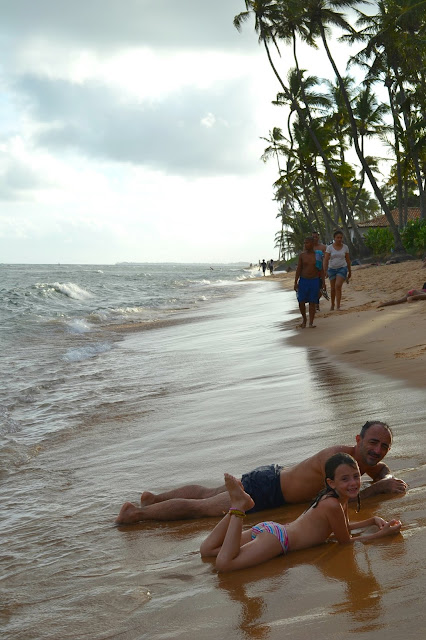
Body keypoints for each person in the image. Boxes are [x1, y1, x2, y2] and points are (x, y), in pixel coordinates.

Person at [115, 421, 407, 524]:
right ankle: (136, 515)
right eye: (373, 442)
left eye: (384, 446)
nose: (378, 450)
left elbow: (381, 471)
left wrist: (385, 478)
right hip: (268, 490)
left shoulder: (367, 462)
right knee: (202, 507)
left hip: (271, 476)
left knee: (207, 493)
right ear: (358, 441)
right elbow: (348, 498)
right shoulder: (341, 459)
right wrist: (379, 489)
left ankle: (152, 499)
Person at [199, 454, 402, 572]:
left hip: (271, 530)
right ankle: (238, 506)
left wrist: (373, 520)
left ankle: (238, 506)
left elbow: (343, 527)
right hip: (277, 541)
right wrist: (381, 535)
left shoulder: (335, 498)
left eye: (356, 476)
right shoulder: (332, 504)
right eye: (345, 479)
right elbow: (345, 541)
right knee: (224, 565)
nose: (353, 483)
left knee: (208, 550)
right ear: (331, 482)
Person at [294, 236, 326, 328]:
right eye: (304, 243)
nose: (305, 245)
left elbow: (321, 270)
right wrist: (295, 282)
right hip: (303, 280)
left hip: (314, 280)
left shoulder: (318, 255)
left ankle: (311, 322)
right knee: (301, 301)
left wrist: (323, 282)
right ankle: (304, 319)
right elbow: (299, 269)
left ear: (312, 244)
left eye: (307, 243)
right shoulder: (302, 256)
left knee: (312, 302)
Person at [323, 229, 351, 310]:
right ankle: (332, 304)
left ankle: (338, 305)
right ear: (334, 238)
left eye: (341, 238)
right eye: (338, 237)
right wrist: (325, 271)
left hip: (342, 268)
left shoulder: (345, 247)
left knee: (338, 286)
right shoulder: (329, 248)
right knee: (332, 288)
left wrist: (349, 271)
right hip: (331, 269)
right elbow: (326, 259)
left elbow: (348, 260)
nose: (339, 239)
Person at [312, 231, 326, 311]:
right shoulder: (309, 247)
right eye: (313, 237)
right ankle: (315, 303)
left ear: (318, 237)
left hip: (320, 269)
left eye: (316, 237)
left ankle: (316, 301)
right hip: (311, 270)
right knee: (313, 288)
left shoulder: (323, 247)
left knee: (321, 288)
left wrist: (325, 269)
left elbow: (326, 259)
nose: (315, 239)